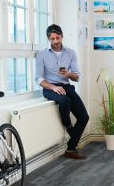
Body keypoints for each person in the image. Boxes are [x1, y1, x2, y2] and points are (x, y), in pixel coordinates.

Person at [35, 24, 89, 160]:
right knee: (65, 100)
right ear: (49, 39)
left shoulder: (71, 53)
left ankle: (70, 149)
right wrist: (53, 87)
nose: (55, 42)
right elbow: (38, 79)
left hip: (67, 86)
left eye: (57, 38)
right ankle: (68, 125)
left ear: (62, 36)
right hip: (49, 88)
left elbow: (77, 77)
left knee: (84, 117)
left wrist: (68, 74)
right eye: (52, 39)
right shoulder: (41, 54)